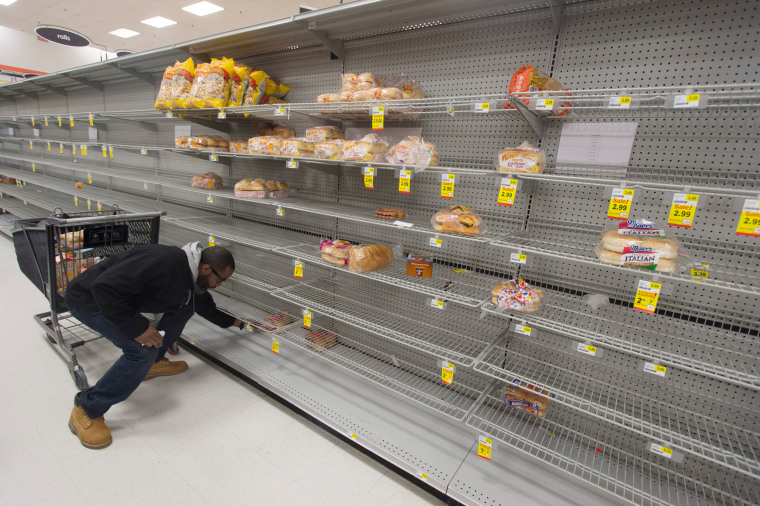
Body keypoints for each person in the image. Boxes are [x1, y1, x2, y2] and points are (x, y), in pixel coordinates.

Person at [64, 241, 246, 449]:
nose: (218, 285)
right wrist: (139, 329)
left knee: (183, 309)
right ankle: (86, 408)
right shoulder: (165, 263)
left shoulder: (190, 273)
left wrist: (237, 323)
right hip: (90, 301)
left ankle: (151, 363)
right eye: (220, 280)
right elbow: (103, 288)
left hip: (114, 299)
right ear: (206, 268)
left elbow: (199, 303)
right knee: (141, 352)